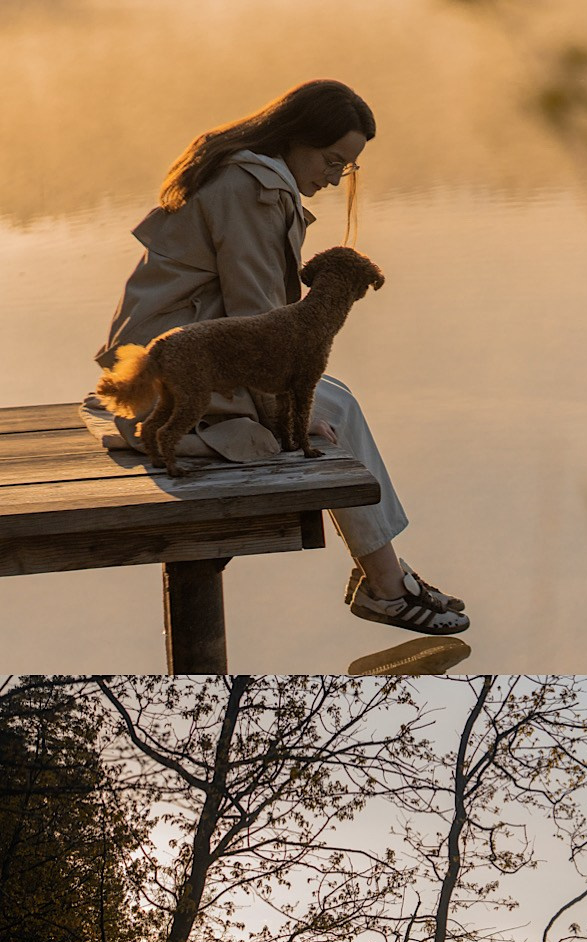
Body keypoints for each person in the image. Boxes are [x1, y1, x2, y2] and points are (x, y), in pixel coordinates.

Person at [83, 79, 468, 636]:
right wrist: (292, 417)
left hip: (173, 353)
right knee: (331, 410)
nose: (335, 178)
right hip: (177, 369)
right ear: (295, 138)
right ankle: (387, 585)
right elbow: (258, 315)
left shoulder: (246, 170)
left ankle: (387, 579)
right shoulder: (253, 189)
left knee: (335, 402)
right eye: (332, 160)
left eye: (347, 169)